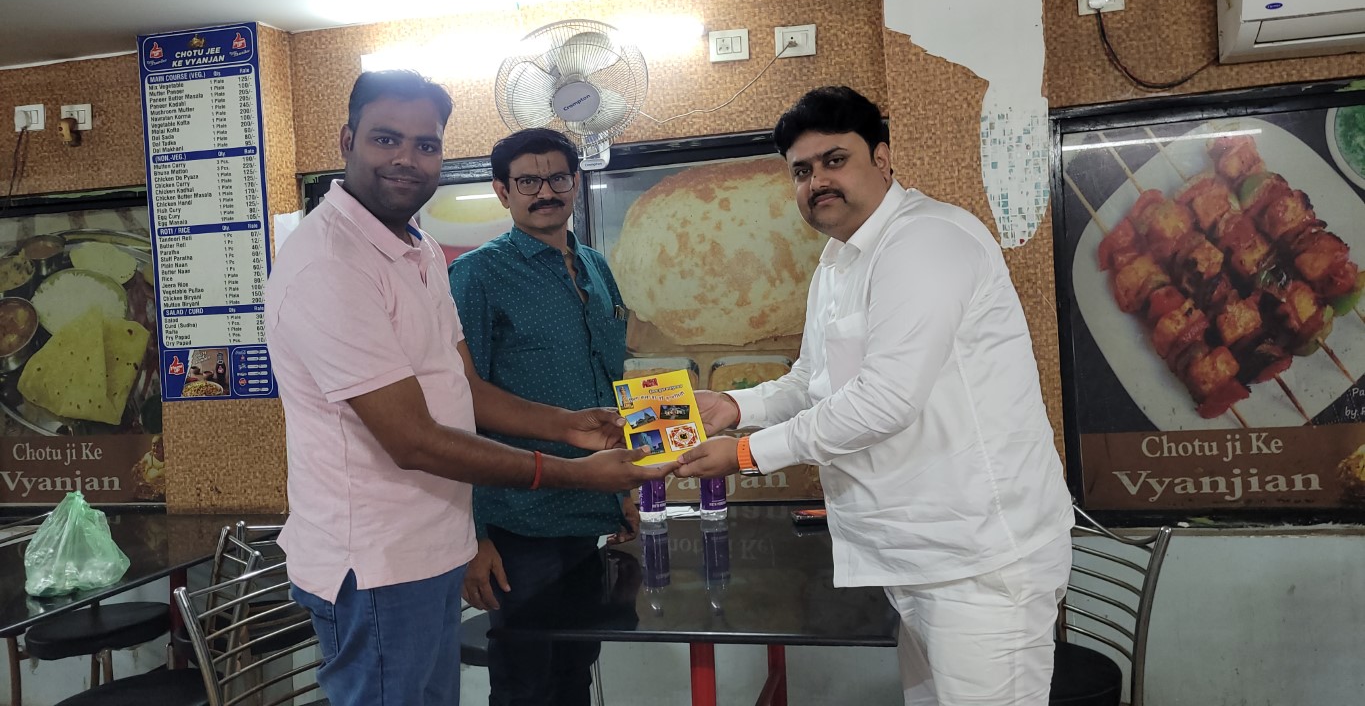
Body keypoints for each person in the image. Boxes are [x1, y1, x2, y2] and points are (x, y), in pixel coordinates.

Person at [264, 70, 670, 706]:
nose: (407, 158)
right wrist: (573, 473)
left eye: (426, 144)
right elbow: (412, 440)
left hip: (434, 546)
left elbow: (463, 387)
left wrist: (567, 425)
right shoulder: (330, 265)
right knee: (520, 680)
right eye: (386, 139)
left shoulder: (420, 249)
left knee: (561, 672)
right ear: (347, 140)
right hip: (376, 561)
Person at [675, 86, 1074, 706]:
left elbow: (885, 399)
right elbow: (812, 380)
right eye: (801, 171)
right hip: (916, 553)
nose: (817, 182)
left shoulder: (926, 240)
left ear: (882, 159)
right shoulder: (837, 262)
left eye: (835, 160)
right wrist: (735, 407)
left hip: (980, 559)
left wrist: (748, 454)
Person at [449, 128, 632, 706]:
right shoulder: (478, 275)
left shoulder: (596, 267)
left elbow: (611, 381)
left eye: (556, 178)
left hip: (587, 511)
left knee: (576, 668)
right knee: (524, 682)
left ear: (575, 182)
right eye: (528, 181)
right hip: (516, 519)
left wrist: (627, 489)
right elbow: (459, 403)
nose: (545, 192)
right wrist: (473, 535)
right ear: (502, 192)